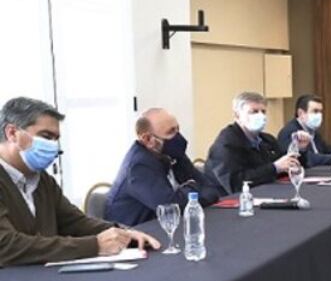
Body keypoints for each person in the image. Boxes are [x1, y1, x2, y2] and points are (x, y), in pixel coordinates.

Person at [0, 96, 159, 267]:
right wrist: (95, 245)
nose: (53, 146)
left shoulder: (42, 180)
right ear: (12, 133)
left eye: (55, 139)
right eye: (46, 136)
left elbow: (75, 222)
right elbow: (6, 246)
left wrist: (123, 233)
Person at [104, 108, 220, 226]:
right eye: (170, 132)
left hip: (166, 226)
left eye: (177, 129)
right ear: (148, 139)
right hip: (135, 234)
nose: (178, 137)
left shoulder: (172, 153)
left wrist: (188, 191)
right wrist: (193, 187)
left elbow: (210, 188)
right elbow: (172, 207)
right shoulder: (138, 167)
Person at [206, 91, 300, 195]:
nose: (261, 116)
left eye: (263, 112)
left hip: (265, 194)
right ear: (237, 115)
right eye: (254, 112)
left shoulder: (267, 140)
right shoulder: (226, 144)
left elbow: (283, 168)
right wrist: (275, 168)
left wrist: (296, 151)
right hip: (230, 203)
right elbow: (235, 184)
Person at [276, 93, 331, 167]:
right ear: (301, 113)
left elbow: (327, 149)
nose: (319, 115)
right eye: (315, 111)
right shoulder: (291, 132)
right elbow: (311, 159)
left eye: (320, 111)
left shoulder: (312, 131)